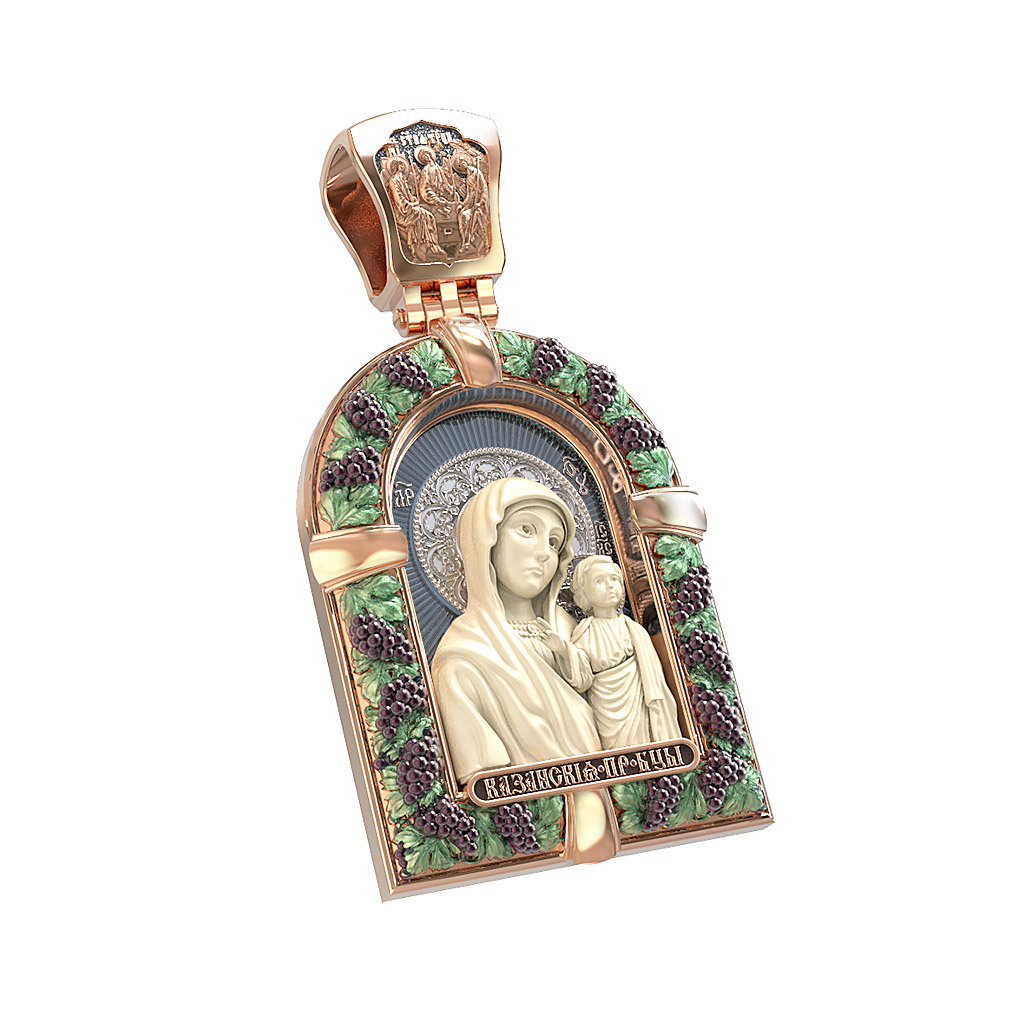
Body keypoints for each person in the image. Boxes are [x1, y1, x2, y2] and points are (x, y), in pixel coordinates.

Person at [430, 478, 601, 784]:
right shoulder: (462, 659)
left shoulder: (574, 633)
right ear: (486, 538)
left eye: (554, 542)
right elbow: (486, 783)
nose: (544, 553)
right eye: (526, 529)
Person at [570, 555, 683, 750]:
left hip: (639, 704)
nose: (609, 586)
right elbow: (581, 680)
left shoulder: (634, 630)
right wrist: (562, 650)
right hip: (606, 712)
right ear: (584, 593)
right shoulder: (584, 633)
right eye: (599, 581)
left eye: (614, 579)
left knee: (646, 745)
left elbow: (654, 677)